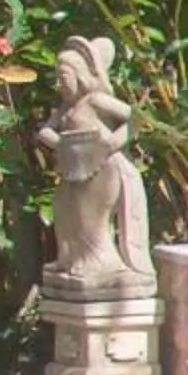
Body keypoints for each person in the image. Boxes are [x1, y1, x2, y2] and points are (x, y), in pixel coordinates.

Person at [39, 36, 152, 294]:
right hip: (74, 167)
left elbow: (137, 118)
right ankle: (69, 258)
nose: (59, 84)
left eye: (63, 77)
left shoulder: (95, 101)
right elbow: (44, 132)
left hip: (103, 169)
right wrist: (59, 142)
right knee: (63, 208)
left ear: (79, 76)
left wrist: (112, 143)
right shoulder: (66, 108)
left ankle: (101, 264)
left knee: (89, 216)